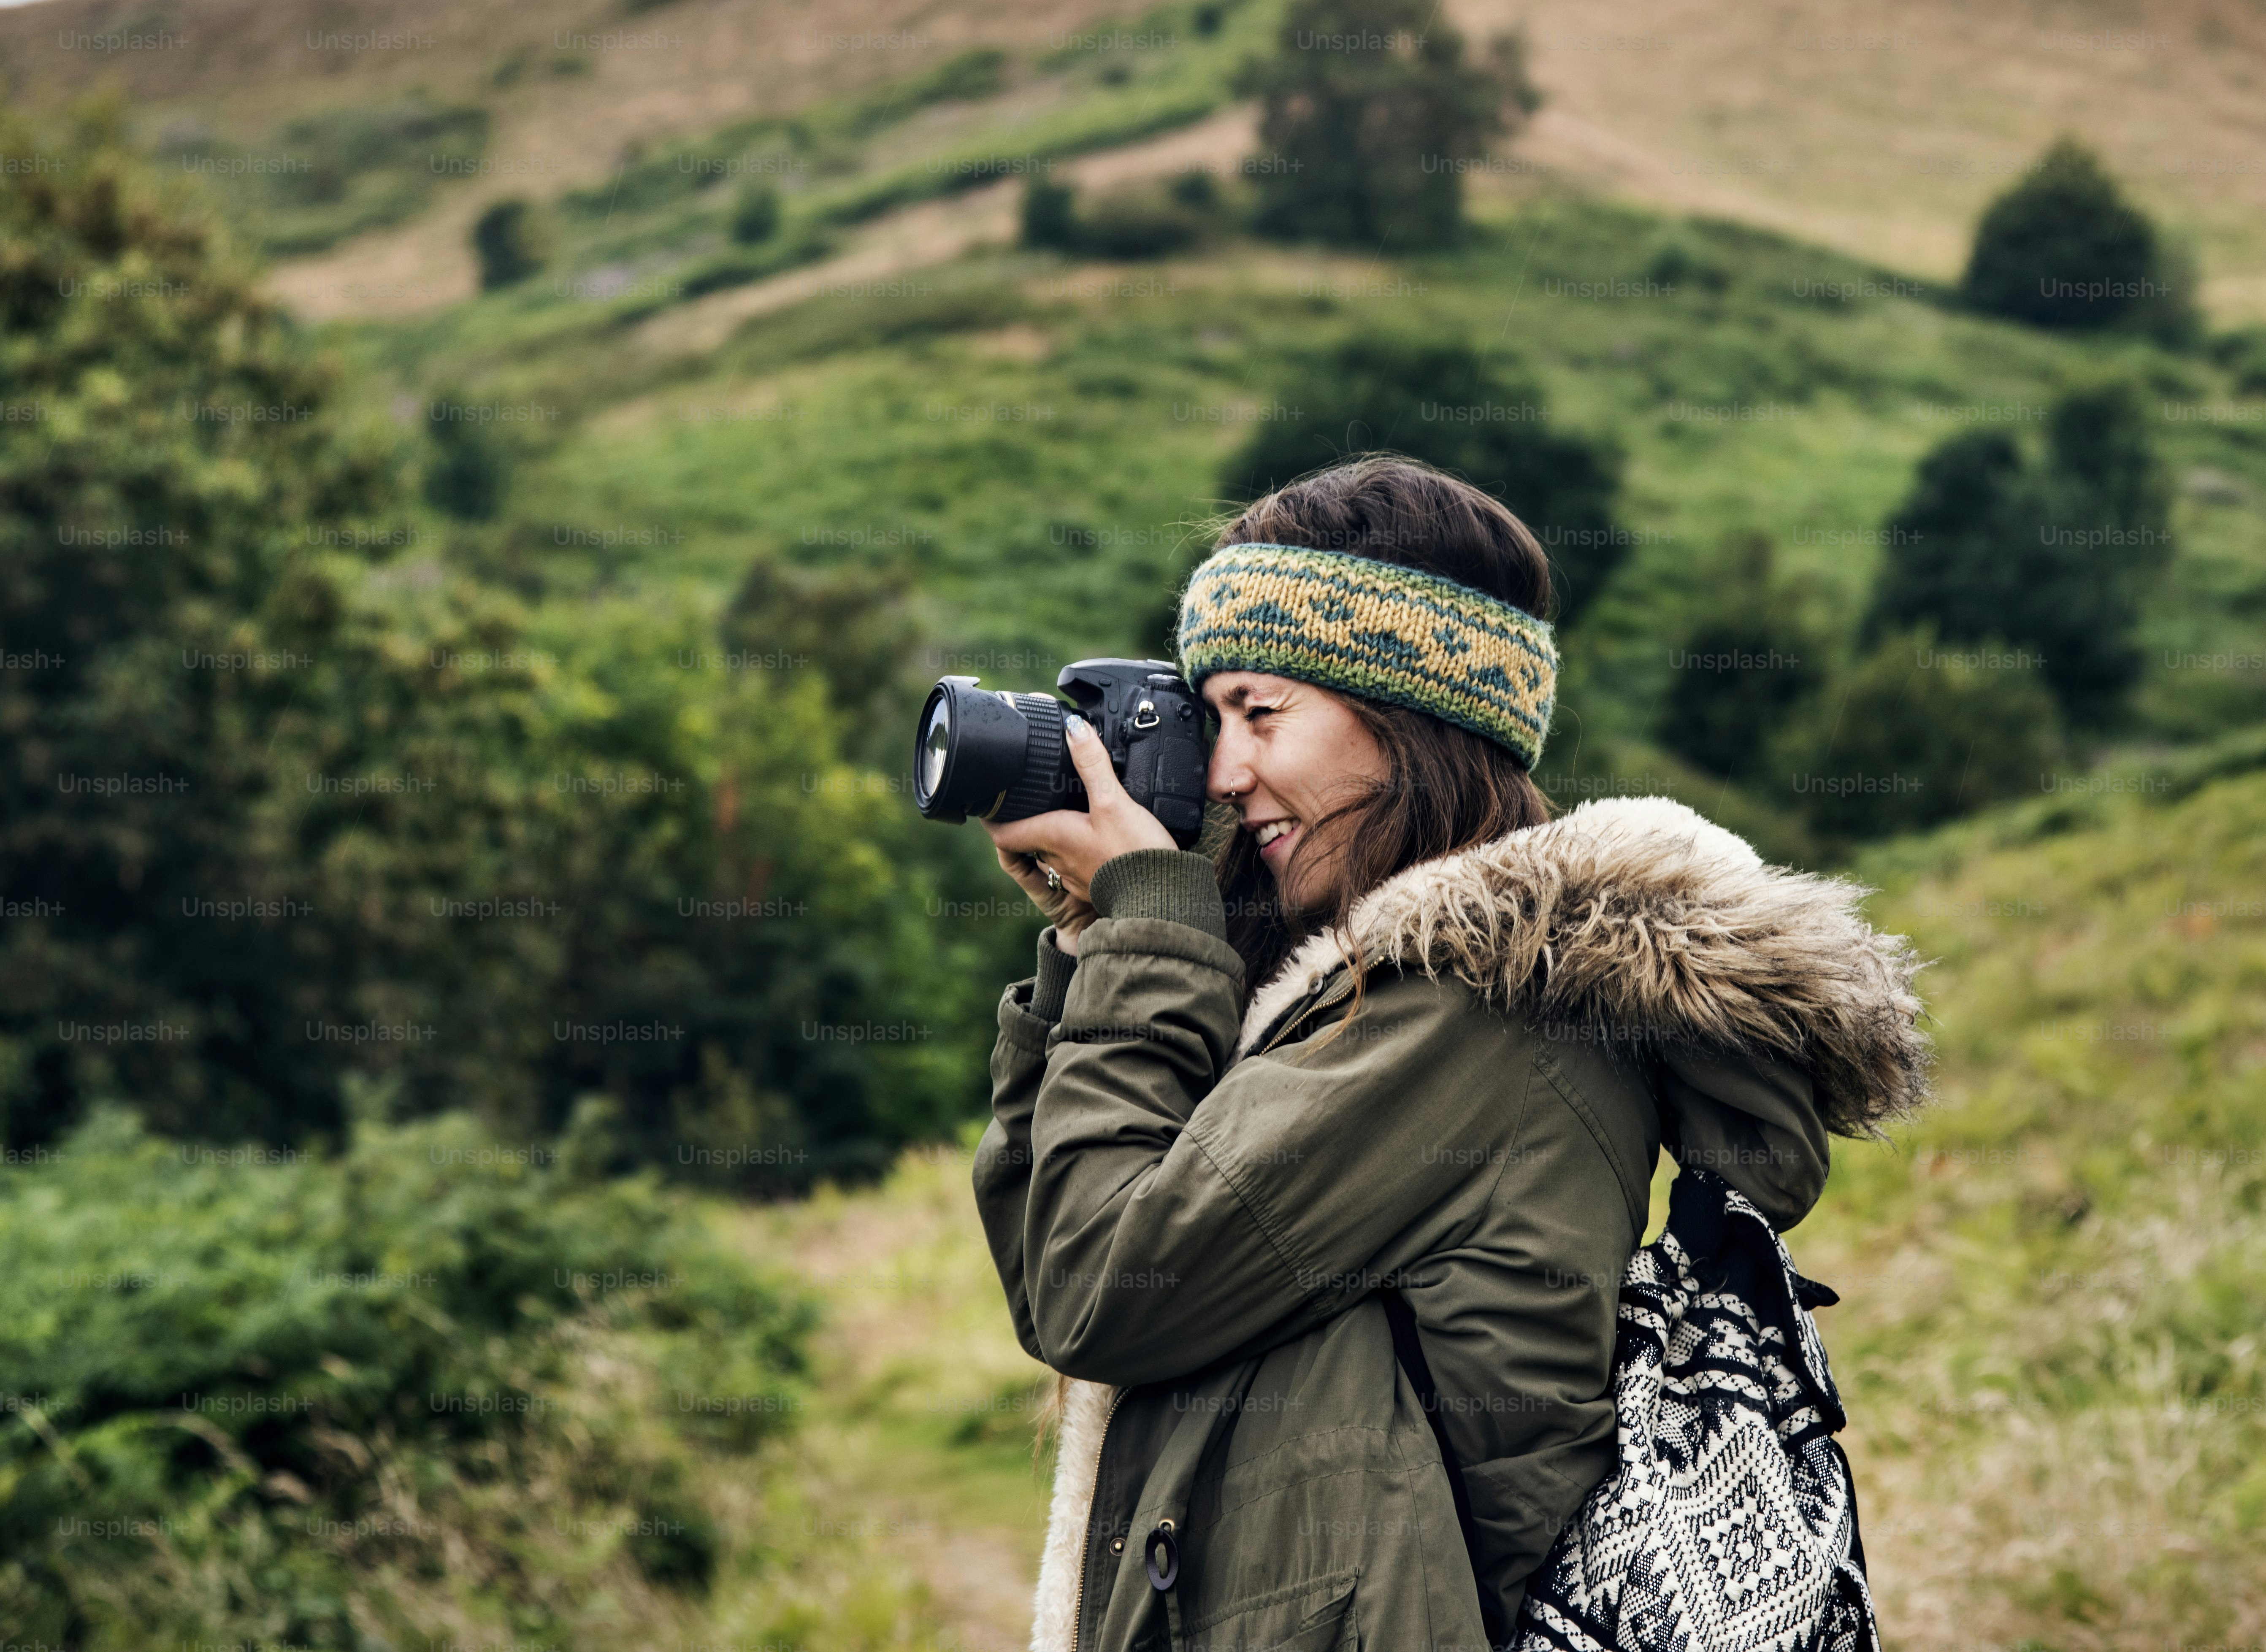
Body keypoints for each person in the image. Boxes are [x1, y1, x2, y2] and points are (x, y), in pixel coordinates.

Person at [970, 457, 1927, 1652]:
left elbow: (1105, 1286)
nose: (1222, 776)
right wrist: (1093, 936)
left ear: (1418, 714)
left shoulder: (1477, 1016)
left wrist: (1147, 921)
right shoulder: (1356, 999)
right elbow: (1052, 1257)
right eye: (1209, 718)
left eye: (1260, 713)